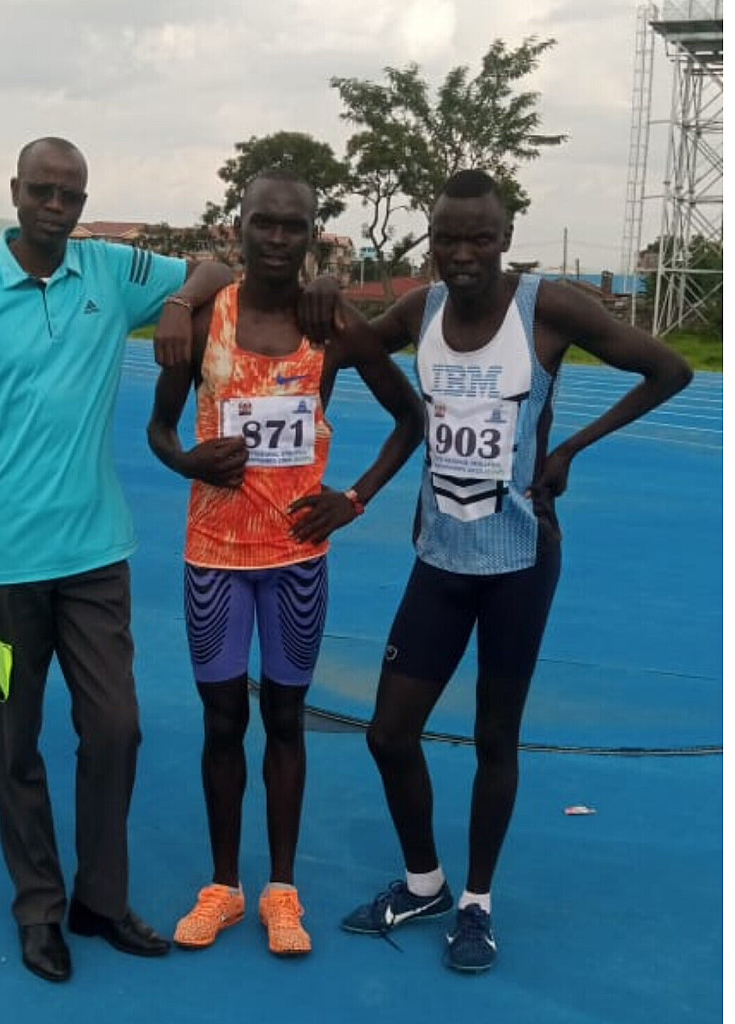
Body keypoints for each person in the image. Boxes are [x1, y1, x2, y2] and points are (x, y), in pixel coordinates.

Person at [337, 169, 693, 972]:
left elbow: (668, 371)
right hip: (439, 557)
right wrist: (314, 297)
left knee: (495, 736)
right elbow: (348, 343)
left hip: (519, 562)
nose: (462, 253)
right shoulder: (419, 310)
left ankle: (476, 904)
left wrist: (568, 449)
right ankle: (424, 883)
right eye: (447, 238)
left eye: (479, 238)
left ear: (504, 237)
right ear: (430, 240)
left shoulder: (547, 308)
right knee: (389, 733)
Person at [0, 136, 236, 983]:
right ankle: (39, 907)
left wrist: (178, 304)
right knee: (13, 740)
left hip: (96, 557)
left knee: (116, 728)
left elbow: (213, 269)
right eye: (42, 190)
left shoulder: (111, 270)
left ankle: (100, 899)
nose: (55, 206)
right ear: (15, 191)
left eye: (70, 194)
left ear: (84, 202)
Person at [146, 170, 423, 957]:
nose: (275, 238)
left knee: (285, 720)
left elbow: (410, 418)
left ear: (311, 232)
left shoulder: (327, 323)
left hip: (297, 561)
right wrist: (188, 461)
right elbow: (159, 430)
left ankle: (281, 892)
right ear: (238, 226)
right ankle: (222, 888)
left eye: (291, 225)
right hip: (215, 560)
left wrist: (354, 498)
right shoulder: (207, 319)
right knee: (221, 720)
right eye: (261, 223)